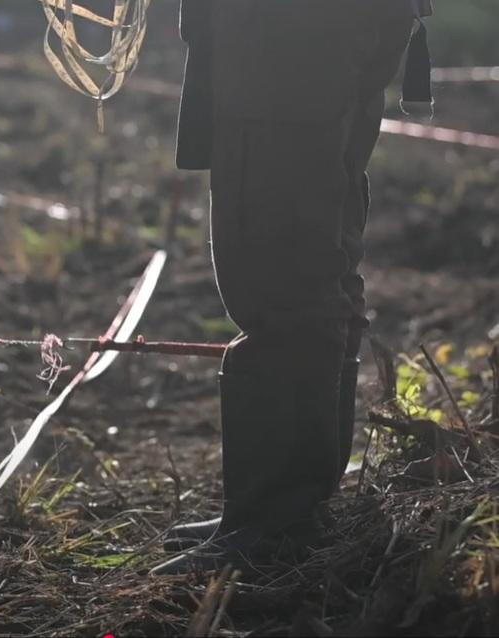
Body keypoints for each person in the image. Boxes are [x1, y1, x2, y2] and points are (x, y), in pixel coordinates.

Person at [151, 0, 433, 575]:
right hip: (322, 36)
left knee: (276, 271)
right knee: (321, 252)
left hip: (287, 37)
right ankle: (296, 504)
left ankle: (276, 523)